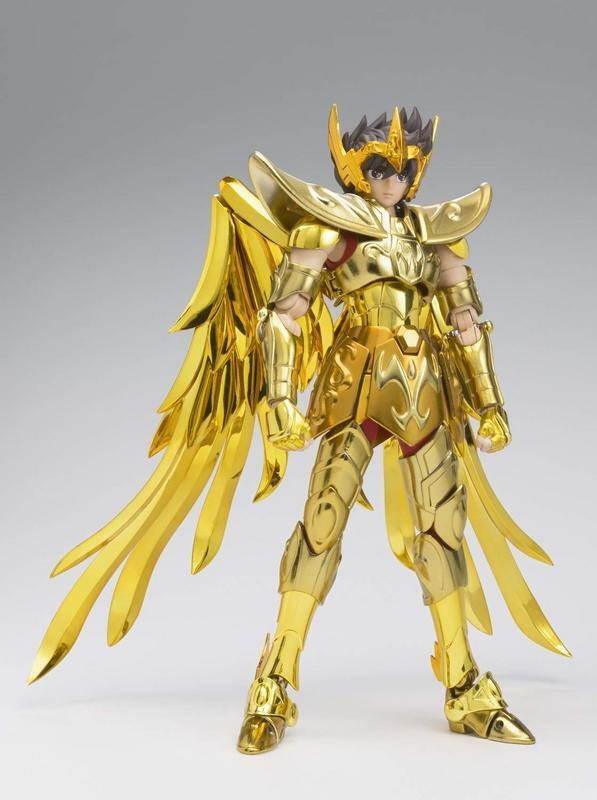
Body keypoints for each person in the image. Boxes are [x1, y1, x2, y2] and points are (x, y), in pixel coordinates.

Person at [30, 105, 569, 756]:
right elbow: (284, 314)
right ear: (355, 171)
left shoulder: (436, 236)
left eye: (403, 168)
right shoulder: (331, 227)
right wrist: (280, 400)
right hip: (354, 384)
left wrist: (490, 403)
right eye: (378, 168)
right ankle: (275, 681)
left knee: (443, 532)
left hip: (425, 389)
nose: (392, 180)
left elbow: (465, 323)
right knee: (321, 525)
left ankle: (464, 685)